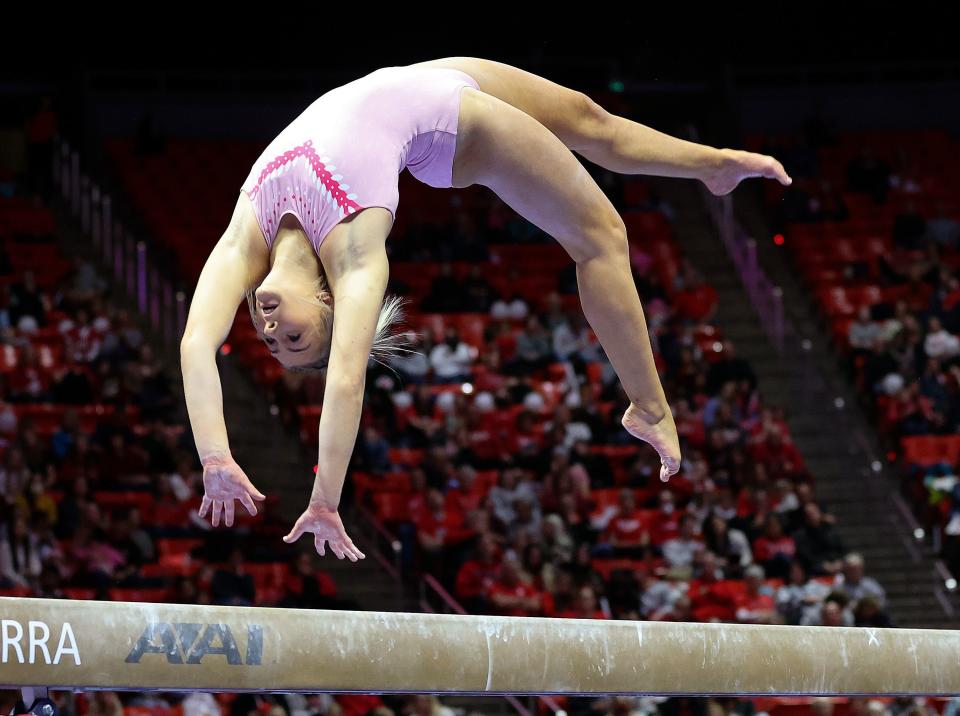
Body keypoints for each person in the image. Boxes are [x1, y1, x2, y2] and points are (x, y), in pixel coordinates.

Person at [180, 57, 791, 560]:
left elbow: (195, 345)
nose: (267, 329)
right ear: (326, 304)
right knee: (603, 237)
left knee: (590, 119)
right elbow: (345, 377)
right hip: (453, 128)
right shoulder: (354, 247)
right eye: (292, 339)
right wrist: (326, 501)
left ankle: (713, 166)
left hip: (425, 78)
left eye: (272, 340)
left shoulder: (247, 233)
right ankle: (650, 408)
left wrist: (215, 455)